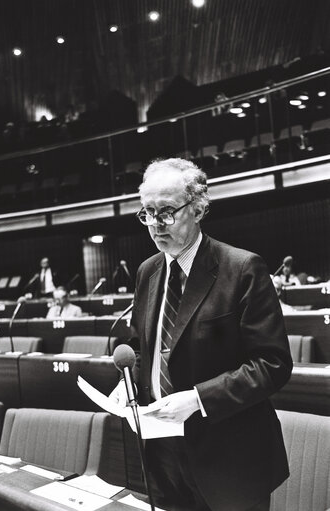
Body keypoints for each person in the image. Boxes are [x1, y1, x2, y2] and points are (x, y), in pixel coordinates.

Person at [109, 158, 293, 511]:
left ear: (197, 209)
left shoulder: (242, 269)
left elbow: (272, 364)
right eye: (147, 212)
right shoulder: (148, 271)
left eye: (166, 212)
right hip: (163, 455)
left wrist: (197, 399)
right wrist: (128, 383)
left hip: (229, 459)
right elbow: (143, 347)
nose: (155, 224)